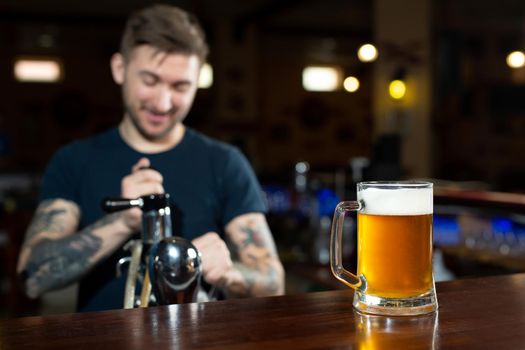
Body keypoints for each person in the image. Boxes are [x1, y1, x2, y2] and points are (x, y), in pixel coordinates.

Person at [16, 4, 285, 312]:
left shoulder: (225, 162)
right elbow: (32, 277)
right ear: (120, 69)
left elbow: (274, 283)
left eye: (180, 86)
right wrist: (123, 220)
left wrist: (232, 274)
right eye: (150, 80)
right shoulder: (74, 160)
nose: (163, 102)